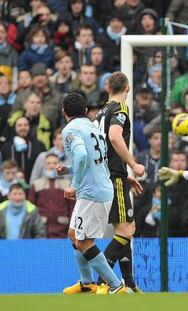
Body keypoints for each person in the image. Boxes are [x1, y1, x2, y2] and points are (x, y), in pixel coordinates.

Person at [58, 93, 131, 294]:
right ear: (85, 111)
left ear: (64, 112)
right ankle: (87, 283)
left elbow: (81, 155)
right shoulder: (93, 126)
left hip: (91, 192)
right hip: (100, 187)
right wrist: (69, 169)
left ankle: (116, 286)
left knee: (83, 241)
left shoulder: (70, 130)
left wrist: (74, 184)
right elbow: (94, 159)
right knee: (74, 234)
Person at [94, 72, 145, 292]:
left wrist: (126, 174)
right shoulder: (120, 109)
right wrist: (132, 164)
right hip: (113, 176)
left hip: (106, 175)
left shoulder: (100, 113)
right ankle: (102, 283)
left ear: (108, 88)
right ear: (128, 89)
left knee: (123, 229)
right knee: (126, 231)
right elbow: (115, 136)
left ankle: (129, 284)